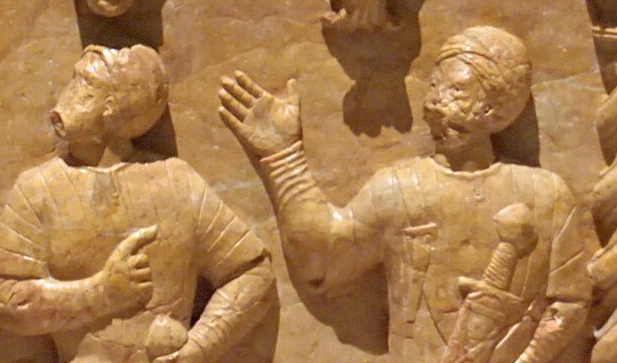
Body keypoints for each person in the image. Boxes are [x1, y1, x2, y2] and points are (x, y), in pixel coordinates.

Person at [218, 26, 597, 362]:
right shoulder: (400, 188)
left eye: (456, 90)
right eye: (433, 88)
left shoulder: (545, 195)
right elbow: (323, 258)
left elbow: (569, 302)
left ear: (497, 108)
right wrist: (283, 158)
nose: (435, 105)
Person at [0, 45, 273, 362]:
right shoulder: (37, 189)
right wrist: (99, 293)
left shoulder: (176, 182)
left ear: (115, 108)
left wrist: (200, 348)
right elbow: (6, 301)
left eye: (85, 84)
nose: (67, 96)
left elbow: (253, 273)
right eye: (74, 80)